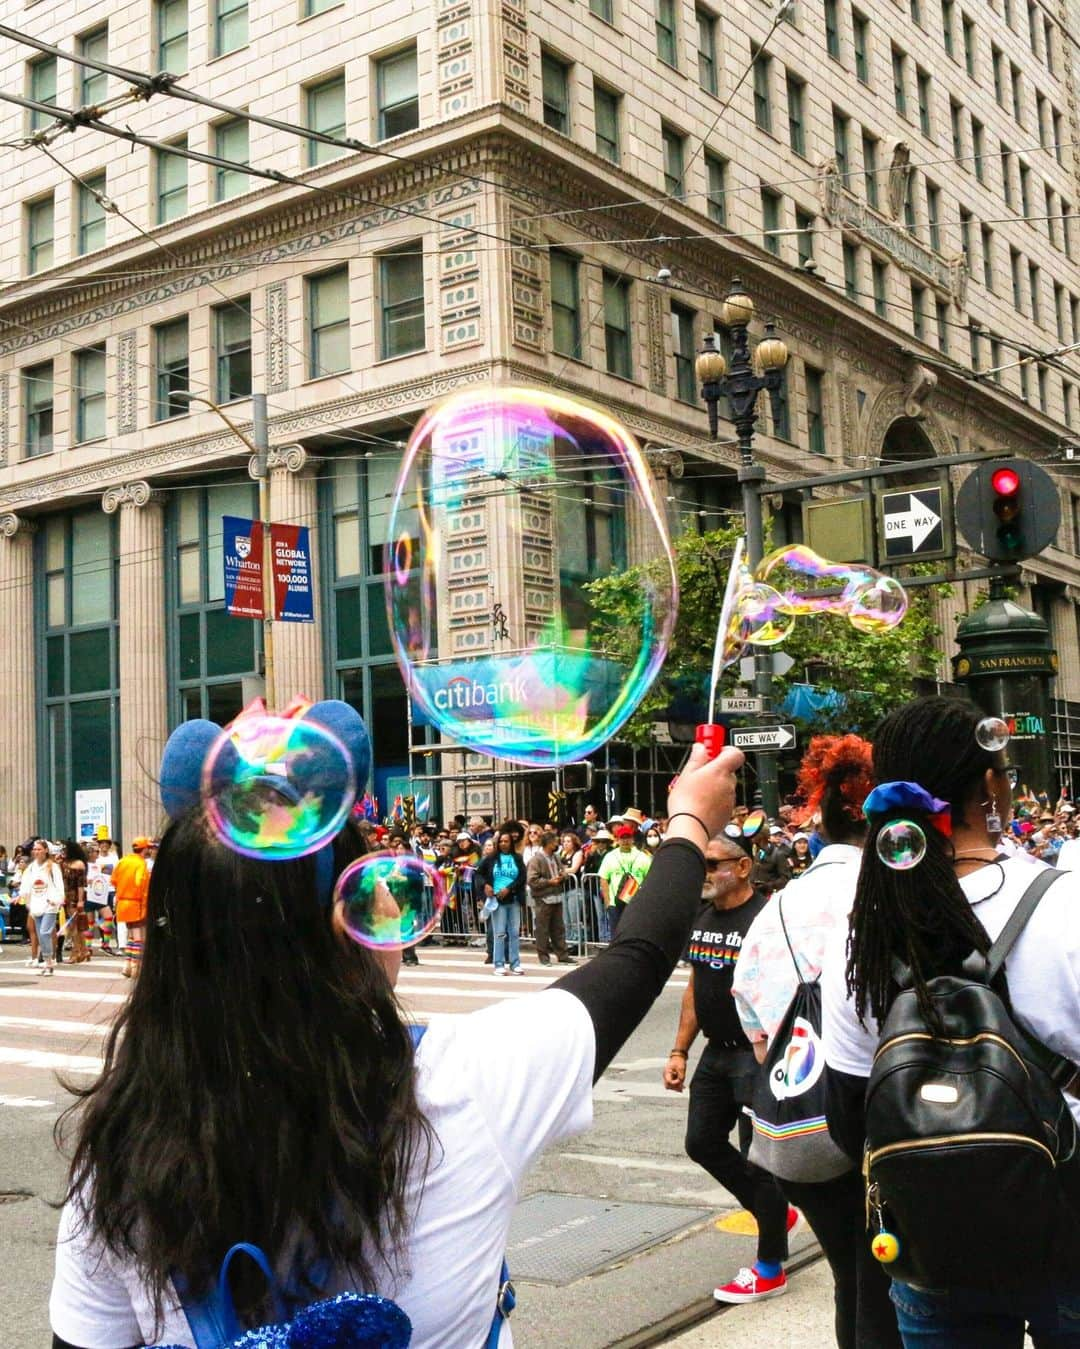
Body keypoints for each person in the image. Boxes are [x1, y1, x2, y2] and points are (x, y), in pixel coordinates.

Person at [49, 733, 744, 1348]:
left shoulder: (116, 1156)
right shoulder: (467, 1081)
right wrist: (687, 818)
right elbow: (637, 959)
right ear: (343, 935)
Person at [821, 695, 1080, 1346]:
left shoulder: (863, 937)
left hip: (932, 1245)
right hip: (1070, 1227)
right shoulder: (1066, 907)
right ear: (991, 787)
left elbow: (848, 1113)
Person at [732, 736, 901, 1349]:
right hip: (888, 1122)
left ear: (821, 818)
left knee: (848, 1274)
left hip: (803, 1125)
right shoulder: (899, 890)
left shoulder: (780, 905)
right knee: (889, 1279)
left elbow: (752, 1016)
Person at [663, 829, 797, 1305]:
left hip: (758, 1054)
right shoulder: (701, 917)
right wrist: (679, 1050)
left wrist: (775, 1052)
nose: (706, 874)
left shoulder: (765, 918)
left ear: (742, 867)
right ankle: (773, 1216)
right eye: (703, 865)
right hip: (716, 1053)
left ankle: (769, 1266)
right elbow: (695, 987)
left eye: (715, 864)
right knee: (700, 1142)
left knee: (762, 1161)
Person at [474, 829, 528, 975]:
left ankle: (515, 963)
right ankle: (498, 963)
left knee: (514, 933)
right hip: (497, 901)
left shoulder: (517, 858)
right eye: (501, 841)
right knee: (499, 933)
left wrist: (509, 889)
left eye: (506, 841)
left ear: (511, 843)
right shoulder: (491, 858)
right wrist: (485, 885)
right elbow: (478, 873)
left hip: (514, 899)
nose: (504, 844)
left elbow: (522, 877)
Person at [527, 830, 577, 967]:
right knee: (542, 929)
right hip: (543, 899)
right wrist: (549, 882)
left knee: (558, 928)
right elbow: (532, 880)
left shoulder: (555, 857)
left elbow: (564, 872)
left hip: (556, 897)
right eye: (554, 841)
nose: (557, 844)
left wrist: (562, 877)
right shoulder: (536, 859)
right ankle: (544, 957)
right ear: (548, 843)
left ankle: (563, 955)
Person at [20, 838, 65, 976]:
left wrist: (57, 899)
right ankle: (47, 962)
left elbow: (59, 886)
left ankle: (49, 960)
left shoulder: (53, 867)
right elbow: (26, 885)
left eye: (39, 849)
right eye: (35, 849)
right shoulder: (31, 868)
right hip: (36, 905)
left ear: (46, 850)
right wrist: (21, 895)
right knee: (40, 935)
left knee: (45, 932)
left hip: (50, 905)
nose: (36, 852)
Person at [597, 824, 652, 934]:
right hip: (615, 904)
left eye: (628, 837)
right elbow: (603, 879)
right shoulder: (610, 856)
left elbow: (650, 879)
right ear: (617, 840)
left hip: (636, 903)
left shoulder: (643, 857)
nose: (625, 840)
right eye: (622, 838)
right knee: (616, 934)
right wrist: (608, 902)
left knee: (635, 933)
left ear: (632, 839)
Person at [111, 838, 152, 979]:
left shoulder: (122, 861)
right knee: (139, 937)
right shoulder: (141, 864)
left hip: (123, 903)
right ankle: (136, 967)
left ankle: (127, 966)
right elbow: (140, 883)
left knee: (131, 936)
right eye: (148, 847)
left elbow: (113, 880)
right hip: (137, 903)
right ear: (144, 849)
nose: (150, 850)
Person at [60, 841, 90, 965]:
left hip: (75, 897)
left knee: (74, 926)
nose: (63, 852)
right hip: (66, 897)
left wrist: (80, 900)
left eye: (65, 850)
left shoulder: (79, 864)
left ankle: (76, 952)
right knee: (77, 925)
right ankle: (84, 951)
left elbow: (81, 884)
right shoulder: (64, 863)